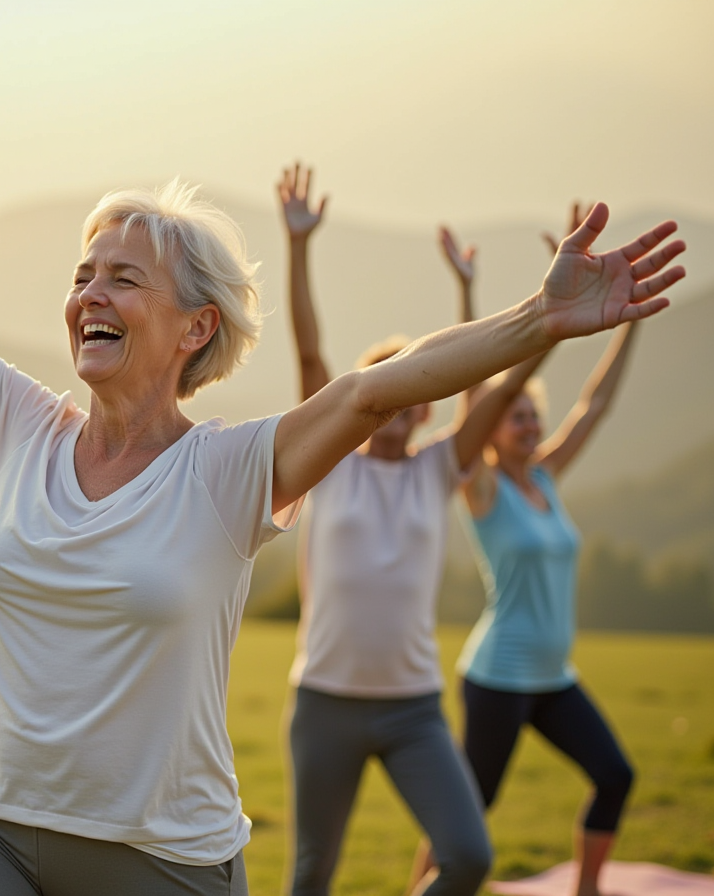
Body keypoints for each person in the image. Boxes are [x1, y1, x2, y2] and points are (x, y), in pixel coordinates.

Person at [0, 36, 684, 896]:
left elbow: (372, 392)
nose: (90, 294)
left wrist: (537, 320)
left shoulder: (229, 472)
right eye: (82, 275)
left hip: (162, 855)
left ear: (196, 328)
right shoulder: (19, 425)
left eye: (123, 278)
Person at [275, 164, 547, 896]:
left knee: (468, 856)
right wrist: (297, 245)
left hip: (413, 710)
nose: (395, 404)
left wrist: (544, 315)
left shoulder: (439, 469)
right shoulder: (330, 464)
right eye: (382, 388)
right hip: (325, 703)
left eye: (410, 390)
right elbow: (309, 356)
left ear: (424, 404)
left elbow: (494, 390)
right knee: (310, 876)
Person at [456, 215, 643, 896]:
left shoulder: (545, 478)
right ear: (493, 430)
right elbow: (474, 397)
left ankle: (587, 890)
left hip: (553, 676)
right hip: (498, 676)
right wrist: (468, 291)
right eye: (518, 417)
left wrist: (628, 316)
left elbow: (594, 406)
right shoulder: (482, 490)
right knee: (470, 809)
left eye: (535, 416)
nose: (531, 425)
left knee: (615, 776)